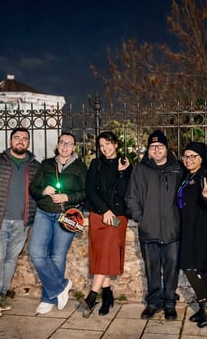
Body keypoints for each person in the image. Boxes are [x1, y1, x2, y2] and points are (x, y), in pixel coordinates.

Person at [0, 127, 40, 321]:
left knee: (10, 260)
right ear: (11, 141)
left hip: (22, 223)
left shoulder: (35, 166)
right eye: (17, 138)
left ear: (28, 142)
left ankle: (2, 294)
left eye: (24, 139)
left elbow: (39, 192)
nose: (21, 141)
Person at [125, 130, 183, 320]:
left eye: (160, 146)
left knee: (171, 268)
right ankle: (153, 302)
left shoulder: (177, 169)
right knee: (151, 268)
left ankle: (169, 303)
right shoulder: (139, 170)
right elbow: (131, 197)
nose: (156, 149)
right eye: (152, 146)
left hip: (172, 229)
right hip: (148, 228)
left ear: (167, 148)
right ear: (148, 150)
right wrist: (140, 217)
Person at [28, 132, 87, 315]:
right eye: (62, 142)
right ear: (57, 145)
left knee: (57, 256)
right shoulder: (46, 164)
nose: (65, 146)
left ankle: (49, 298)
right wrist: (43, 190)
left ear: (74, 148)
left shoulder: (79, 167)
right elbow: (33, 189)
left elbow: (85, 192)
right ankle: (62, 286)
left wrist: (68, 196)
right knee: (36, 252)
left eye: (69, 144)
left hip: (67, 215)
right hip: (44, 212)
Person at [81, 131, 132, 318]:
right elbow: (89, 190)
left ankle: (92, 296)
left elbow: (124, 193)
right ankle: (108, 294)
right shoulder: (96, 164)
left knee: (106, 250)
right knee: (101, 253)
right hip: (98, 215)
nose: (105, 148)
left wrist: (121, 173)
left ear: (116, 144)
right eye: (101, 145)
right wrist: (104, 210)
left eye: (108, 144)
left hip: (117, 217)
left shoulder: (126, 164)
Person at [178, 142, 207, 328]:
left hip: (203, 229)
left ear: (201, 158)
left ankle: (204, 303)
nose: (188, 160)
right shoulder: (187, 175)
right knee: (201, 267)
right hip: (189, 228)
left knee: (188, 266)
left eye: (192, 156)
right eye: (186, 156)